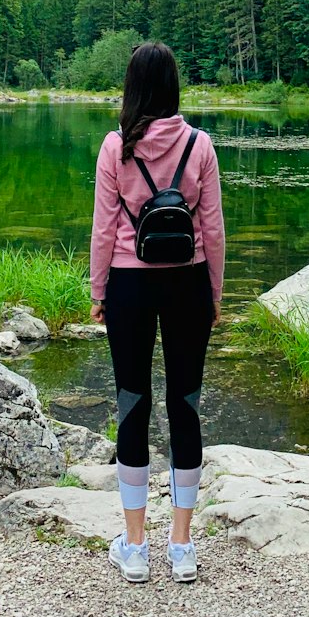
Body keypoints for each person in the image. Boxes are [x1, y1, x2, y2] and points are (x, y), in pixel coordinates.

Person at [89, 41, 226, 584]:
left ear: (132, 88)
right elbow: (212, 229)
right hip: (188, 284)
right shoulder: (201, 145)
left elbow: (103, 229)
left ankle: (136, 547)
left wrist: (98, 291)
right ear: (173, 88)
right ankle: (183, 546)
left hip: (128, 284)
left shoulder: (114, 148)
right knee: (186, 404)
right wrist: (215, 294)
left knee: (132, 404)